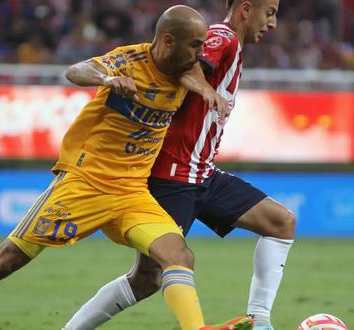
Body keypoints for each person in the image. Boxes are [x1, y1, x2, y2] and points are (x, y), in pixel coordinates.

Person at [0, 6, 252, 330]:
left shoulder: (187, 67)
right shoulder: (128, 61)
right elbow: (76, 70)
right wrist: (106, 78)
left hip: (132, 193)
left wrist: (208, 91)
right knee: (4, 262)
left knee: (178, 255)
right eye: (194, 45)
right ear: (167, 41)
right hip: (84, 183)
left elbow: (192, 73)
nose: (200, 54)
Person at [61, 1, 295, 330]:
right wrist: (204, 88)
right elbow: (184, 64)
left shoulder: (234, 46)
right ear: (245, 9)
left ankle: (260, 322)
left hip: (203, 174)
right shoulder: (220, 37)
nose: (272, 23)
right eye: (269, 12)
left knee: (280, 222)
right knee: (146, 279)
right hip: (173, 178)